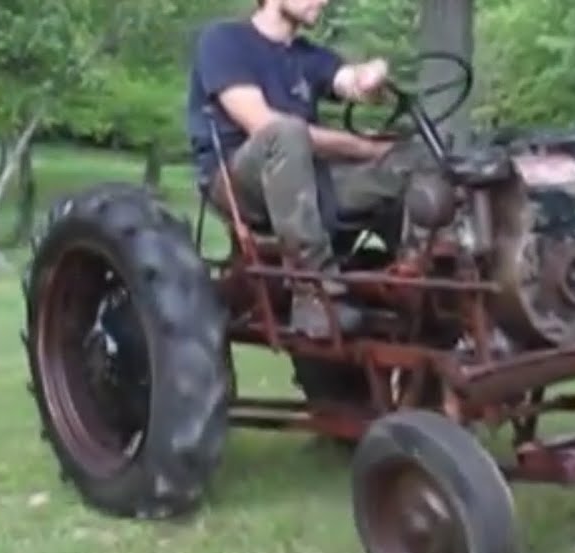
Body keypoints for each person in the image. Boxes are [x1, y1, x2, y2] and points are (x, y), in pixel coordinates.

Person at [185, 0, 433, 338]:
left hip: (307, 180)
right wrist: (362, 147)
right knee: (285, 132)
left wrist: (371, 75)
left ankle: (421, 282)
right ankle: (313, 293)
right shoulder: (224, 40)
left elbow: (350, 81)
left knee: (414, 159)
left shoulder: (309, 56)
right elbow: (261, 123)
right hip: (238, 178)